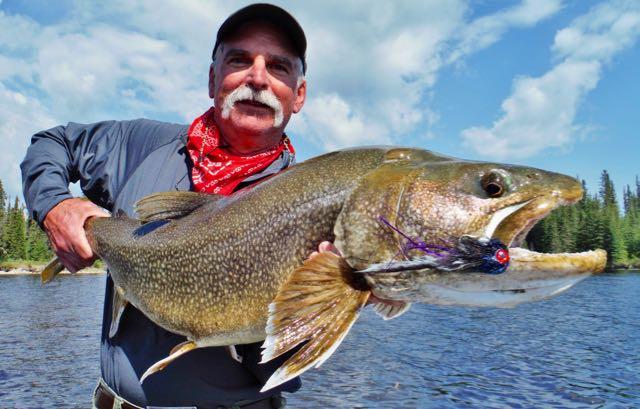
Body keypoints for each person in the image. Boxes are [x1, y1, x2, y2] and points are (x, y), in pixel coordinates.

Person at [21, 4, 324, 408]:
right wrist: (54, 205)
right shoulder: (139, 145)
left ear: (299, 94)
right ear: (212, 78)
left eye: (278, 67)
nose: (257, 77)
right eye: (239, 60)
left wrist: (317, 300)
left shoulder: (317, 207)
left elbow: (280, 374)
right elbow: (52, 144)